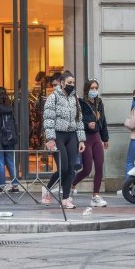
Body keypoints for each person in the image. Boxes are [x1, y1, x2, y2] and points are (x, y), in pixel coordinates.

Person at [40, 71, 86, 209]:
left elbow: (79, 120)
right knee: (64, 167)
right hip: (58, 135)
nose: (71, 85)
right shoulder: (53, 97)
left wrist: (81, 140)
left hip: (71, 135)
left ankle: (66, 199)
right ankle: (47, 189)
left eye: (73, 83)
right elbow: (48, 118)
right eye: (69, 83)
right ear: (62, 83)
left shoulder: (75, 98)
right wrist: (50, 138)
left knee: (71, 169)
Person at [73, 79, 109, 207]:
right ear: (87, 89)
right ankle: (71, 184)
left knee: (99, 166)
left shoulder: (99, 103)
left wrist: (105, 139)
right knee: (87, 169)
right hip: (86, 137)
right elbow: (77, 121)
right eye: (92, 88)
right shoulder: (81, 103)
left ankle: (95, 196)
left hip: (97, 137)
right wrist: (88, 124)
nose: (94, 91)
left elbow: (103, 122)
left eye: (96, 88)